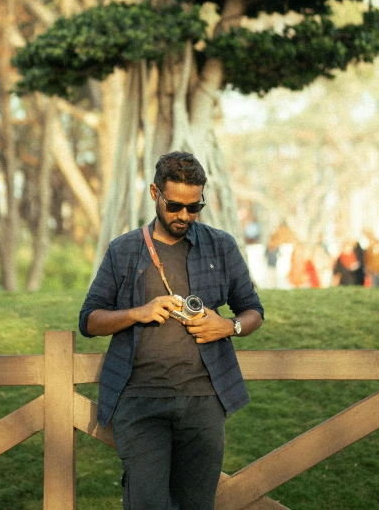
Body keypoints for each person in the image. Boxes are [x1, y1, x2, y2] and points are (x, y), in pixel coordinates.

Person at [79, 151, 264, 510]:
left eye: (194, 208)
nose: (183, 216)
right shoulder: (125, 251)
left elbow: (253, 310)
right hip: (140, 400)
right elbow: (89, 320)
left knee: (197, 505)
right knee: (146, 503)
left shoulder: (220, 246)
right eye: (175, 205)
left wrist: (229, 326)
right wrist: (138, 312)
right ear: (154, 193)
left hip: (204, 400)